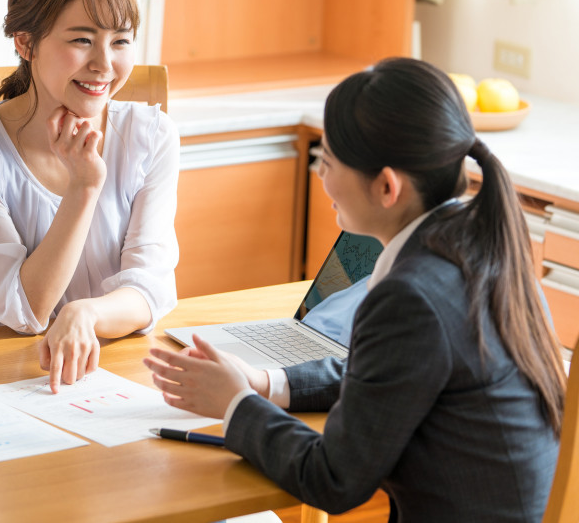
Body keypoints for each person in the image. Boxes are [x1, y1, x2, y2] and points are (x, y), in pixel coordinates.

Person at [144, 57, 565, 522]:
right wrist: (267, 383)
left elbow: (333, 479)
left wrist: (234, 403)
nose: (321, 176)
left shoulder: (412, 297)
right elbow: (388, 375)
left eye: (327, 162)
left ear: (387, 187)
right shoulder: (483, 243)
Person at [0, 0, 179, 393]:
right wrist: (84, 187)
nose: (105, 66)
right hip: (7, 378)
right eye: (82, 40)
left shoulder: (151, 136)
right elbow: (25, 312)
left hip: (115, 369)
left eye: (121, 41)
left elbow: (150, 289)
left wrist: (86, 313)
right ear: (25, 42)